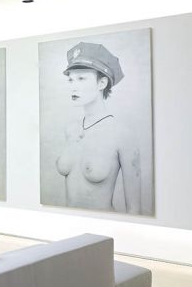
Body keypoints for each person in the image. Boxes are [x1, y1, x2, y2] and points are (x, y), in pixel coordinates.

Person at [55, 42, 141, 214]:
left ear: (101, 83)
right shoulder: (71, 129)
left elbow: (134, 210)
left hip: (103, 227)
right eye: (71, 79)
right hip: (68, 225)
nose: (73, 86)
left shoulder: (121, 135)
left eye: (81, 79)